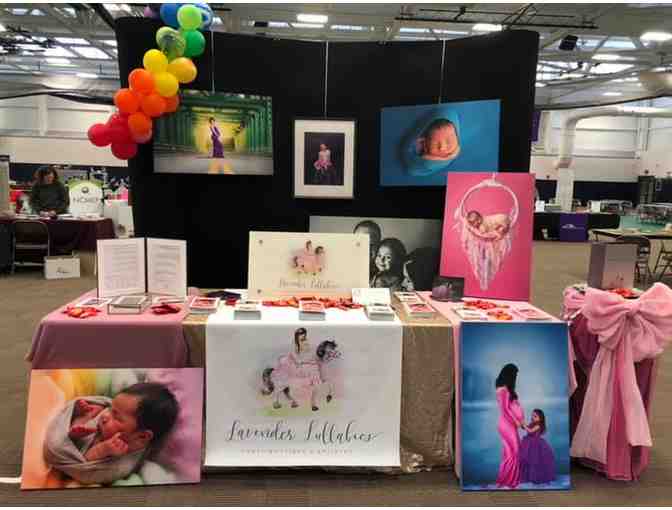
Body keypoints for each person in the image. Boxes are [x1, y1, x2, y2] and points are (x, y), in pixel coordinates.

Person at [44, 382, 178, 485]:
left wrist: (102, 450)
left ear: (142, 436)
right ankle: (82, 419)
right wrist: (91, 411)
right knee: (93, 413)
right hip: (87, 431)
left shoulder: (121, 466)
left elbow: (84, 472)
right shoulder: (111, 419)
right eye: (111, 409)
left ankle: (76, 429)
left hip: (81, 456)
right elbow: (106, 407)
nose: (106, 416)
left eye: (117, 417)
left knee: (63, 443)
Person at [495, 363, 524, 489]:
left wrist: (520, 420)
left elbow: (511, 407)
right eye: (515, 375)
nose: (515, 378)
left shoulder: (506, 389)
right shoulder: (502, 390)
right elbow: (505, 409)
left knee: (509, 453)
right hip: (506, 425)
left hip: (509, 424)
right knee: (514, 452)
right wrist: (516, 421)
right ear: (509, 375)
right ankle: (509, 481)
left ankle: (509, 480)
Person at [519, 409, 556, 485]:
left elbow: (530, 431)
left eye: (535, 416)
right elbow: (526, 428)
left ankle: (536, 477)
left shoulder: (538, 425)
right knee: (527, 460)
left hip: (535, 444)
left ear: (540, 418)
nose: (533, 417)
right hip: (528, 442)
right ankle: (528, 476)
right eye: (532, 415)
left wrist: (524, 426)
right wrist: (522, 424)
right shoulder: (532, 423)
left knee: (535, 460)